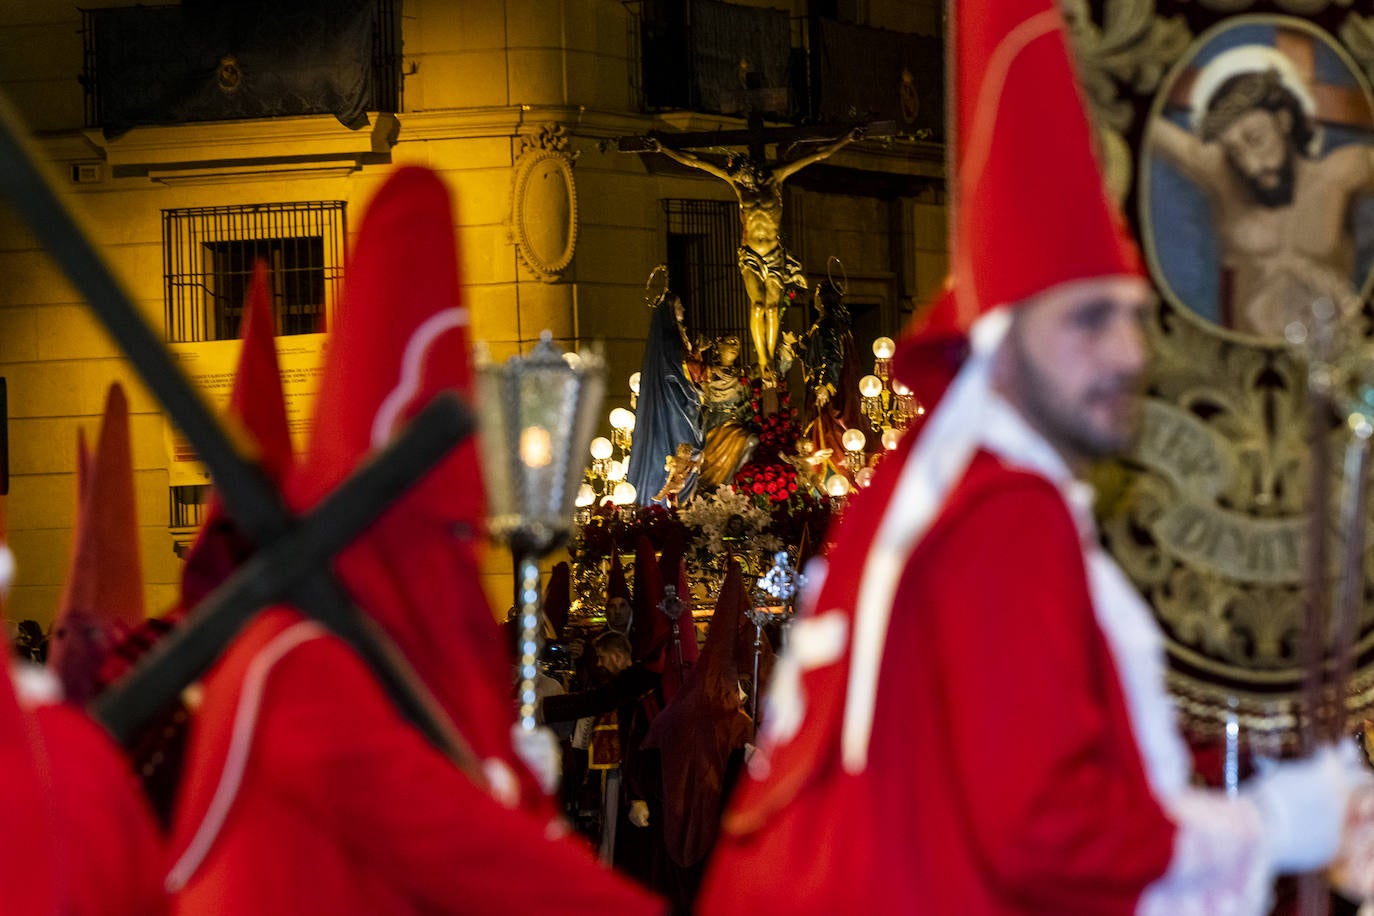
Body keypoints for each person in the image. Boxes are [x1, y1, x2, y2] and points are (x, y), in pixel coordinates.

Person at [698, 2, 1370, 913]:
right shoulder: (1005, 514)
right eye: (1089, 321)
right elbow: (1043, 834)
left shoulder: (939, 488)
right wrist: (1272, 825)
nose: (1129, 355)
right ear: (999, 342)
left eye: (1135, 319)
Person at [165, 167, 662, 914]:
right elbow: (453, 838)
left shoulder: (390, 653)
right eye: (440, 531)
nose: (457, 563)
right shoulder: (291, 663)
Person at [1146, 44, 1374, 338]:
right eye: (1235, 151)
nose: (1252, 166)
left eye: (1256, 139)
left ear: (1284, 120)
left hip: (1332, 362)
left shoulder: (1341, 175)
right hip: (1238, 368)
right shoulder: (1222, 177)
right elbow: (1150, 131)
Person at [647, 130, 859, 380]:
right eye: (738, 179)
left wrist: (846, 138)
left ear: (750, 170)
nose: (741, 182)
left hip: (773, 255)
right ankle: (763, 359)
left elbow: (817, 154)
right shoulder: (737, 185)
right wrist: (663, 148)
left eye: (743, 177)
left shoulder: (775, 178)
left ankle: (769, 356)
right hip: (750, 256)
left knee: (771, 307)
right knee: (758, 306)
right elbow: (695, 160)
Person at [626, 290, 703, 506]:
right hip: (674, 403)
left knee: (690, 448)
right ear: (670, 310)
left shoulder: (677, 337)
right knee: (681, 443)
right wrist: (697, 373)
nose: (684, 310)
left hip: (683, 399)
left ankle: (682, 501)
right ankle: (668, 503)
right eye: (679, 306)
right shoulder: (669, 341)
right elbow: (678, 370)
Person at [698, 335, 759, 488]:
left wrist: (784, 347)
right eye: (730, 343)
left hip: (735, 423)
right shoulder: (707, 372)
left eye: (737, 344)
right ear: (718, 348)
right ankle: (714, 488)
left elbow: (765, 369)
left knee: (752, 441)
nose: (734, 347)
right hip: (714, 423)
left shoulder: (743, 373)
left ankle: (734, 486)